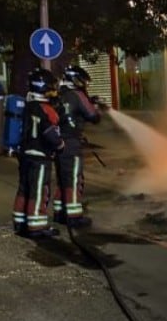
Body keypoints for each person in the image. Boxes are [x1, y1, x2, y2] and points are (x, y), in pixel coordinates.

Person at [12, 68, 65, 238]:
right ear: (44, 87)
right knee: (39, 190)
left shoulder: (27, 106)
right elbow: (50, 133)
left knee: (24, 189)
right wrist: (60, 144)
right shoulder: (45, 109)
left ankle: (20, 222)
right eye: (51, 87)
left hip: (24, 155)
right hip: (40, 157)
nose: (53, 91)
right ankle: (37, 226)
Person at [54, 64, 101, 228]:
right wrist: (95, 106)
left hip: (57, 142)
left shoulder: (59, 94)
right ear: (77, 80)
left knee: (62, 178)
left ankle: (60, 212)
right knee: (74, 179)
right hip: (71, 143)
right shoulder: (77, 95)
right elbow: (93, 116)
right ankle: (74, 216)